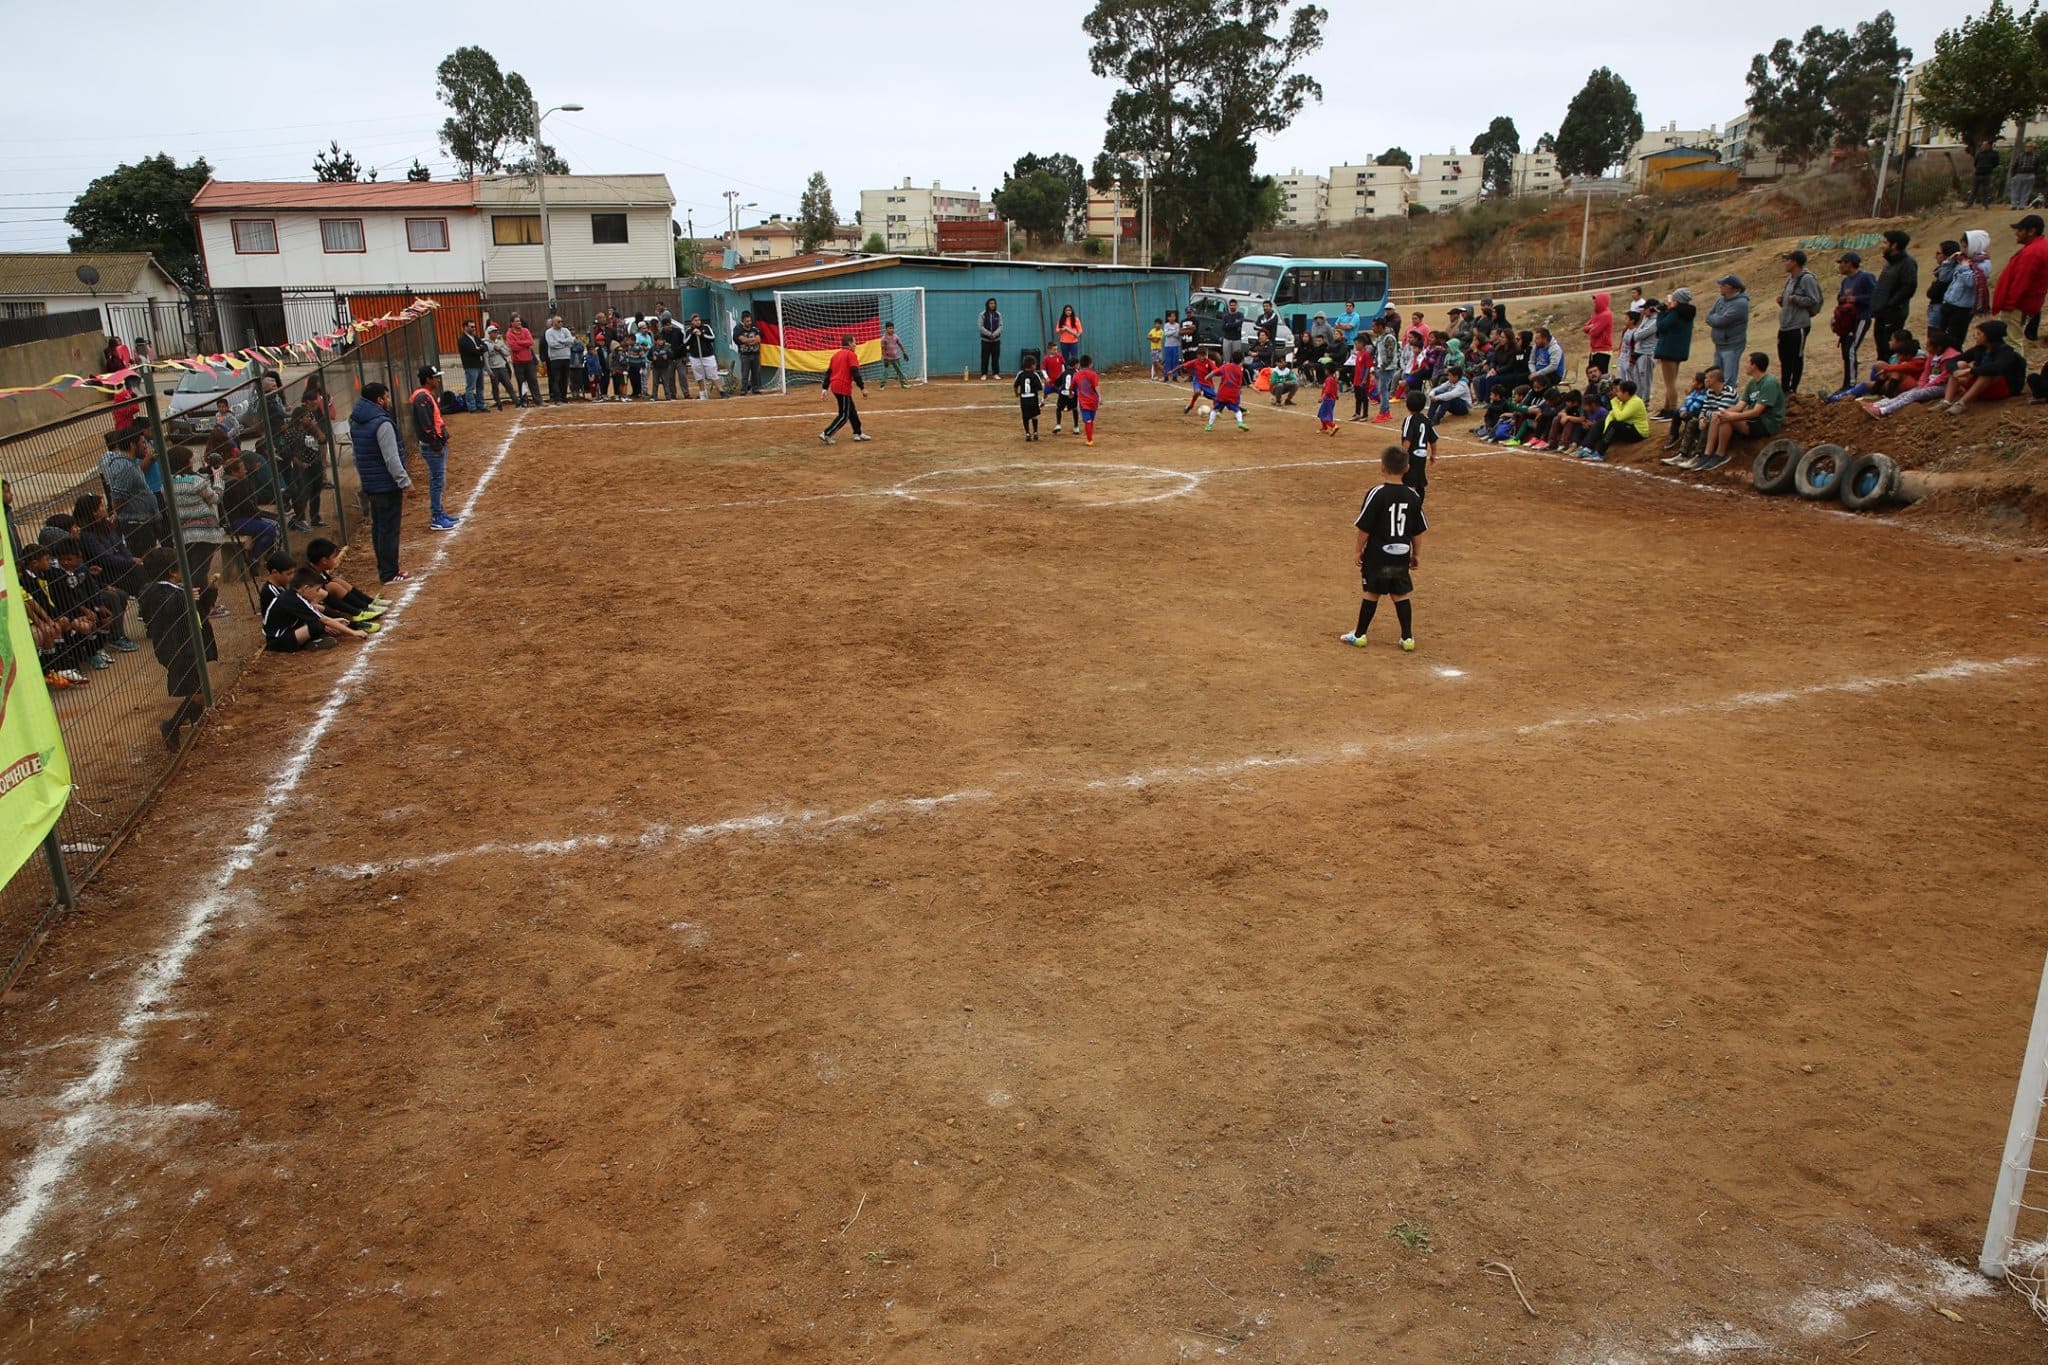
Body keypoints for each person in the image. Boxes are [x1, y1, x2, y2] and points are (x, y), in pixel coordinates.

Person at [1339, 445, 1427, 653]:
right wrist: (1416, 554)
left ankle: (1360, 635)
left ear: (1382, 468)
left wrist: (1358, 550)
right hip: (1401, 552)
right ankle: (1407, 638)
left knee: (1372, 591)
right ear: (1407, 468)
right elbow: (1418, 530)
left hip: (1378, 553)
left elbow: (1364, 527)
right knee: (1400, 593)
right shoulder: (1413, 495)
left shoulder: (1376, 493)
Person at [136, 546, 217, 750]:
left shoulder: (175, 590)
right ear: (173, 571)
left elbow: (200, 610)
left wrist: (210, 591)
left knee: (197, 688)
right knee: (199, 693)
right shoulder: (156, 592)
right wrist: (186, 597)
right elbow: (168, 608)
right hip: (178, 650)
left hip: (189, 647)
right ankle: (171, 726)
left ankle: (197, 725)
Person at [348, 382, 413, 584]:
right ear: (379, 400)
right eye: (387, 397)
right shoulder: (381, 423)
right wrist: (405, 482)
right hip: (385, 485)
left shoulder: (357, 420)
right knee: (388, 530)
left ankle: (386, 569)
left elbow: (356, 456)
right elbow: (391, 458)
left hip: (371, 483)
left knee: (379, 528)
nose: (389, 401)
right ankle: (389, 572)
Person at [1695, 351, 1785, 472]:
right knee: (1720, 415)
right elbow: (1739, 406)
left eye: (1747, 362)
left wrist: (1732, 417)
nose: (1745, 365)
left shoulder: (1769, 382)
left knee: (1726, 419)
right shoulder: (1752, 383)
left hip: (1767, 423)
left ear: (1754, 365)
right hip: (1753, 419)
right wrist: (1723, 412)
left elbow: (1757, 412)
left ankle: (1720, 455)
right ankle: (1707, 454)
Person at [165, 445, 228, 601]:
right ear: (185, 462)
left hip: (183, 535)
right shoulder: (197, 482)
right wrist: (218, 478)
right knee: (200, 571)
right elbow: (215, 497)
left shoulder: (166, 485)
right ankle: (203, 604)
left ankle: (193, 603)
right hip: (205, 533)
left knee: (190, 570)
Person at [264, 567, 369, 652]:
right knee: (316, 625)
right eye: (317, 589)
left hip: (285, 633)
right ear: (306, 588)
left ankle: (311, 640)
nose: (318, 593)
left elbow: (319, 616)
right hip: (277, 641)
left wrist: (335, 621)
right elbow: (324, 620)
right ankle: (309, 643)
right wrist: (353, 633)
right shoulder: (294, 599)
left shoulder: (293, 595)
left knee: (319, 623)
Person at [1940, 318, 2027, 414]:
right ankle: (1946, 401)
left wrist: (1970, 372)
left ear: (1989, 336)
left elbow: (1997, 367)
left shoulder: (2005, 351)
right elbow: (1952, 360)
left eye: (1979, 334)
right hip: (1980, 386)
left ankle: (1961, 404)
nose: (1975, 337)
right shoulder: (1979, 349)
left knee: (1988, 372)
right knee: (1960, 364)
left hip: (2001, 389)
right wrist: (1955, 371)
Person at [411, 366, 459, 532]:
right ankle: (436, 517)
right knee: (437, 481)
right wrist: (436, 444)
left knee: (439, 480)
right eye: (435, 377)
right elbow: (427, 426)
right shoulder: (422, 398)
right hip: (432, 447)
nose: (437, 380)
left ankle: (440, 512)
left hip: (435, 444)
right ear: (428, 379)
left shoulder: (426, 396)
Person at [99, 426, 160, 553]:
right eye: (143, 442)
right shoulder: (125, 468)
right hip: (136, 525)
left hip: (142, 522)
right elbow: (117, 498)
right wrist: (118, 513)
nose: (146, 446)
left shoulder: (130, 464)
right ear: (132, 445)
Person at [1995, 213, 2048, 353]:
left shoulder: (2032, 252)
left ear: (2031, 231)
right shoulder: (2040, 247)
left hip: (2017, 305)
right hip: (2025, 303)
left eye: (2020, 230)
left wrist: (2009, 304)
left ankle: (2013, 373)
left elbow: (2021, 281)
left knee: (2011, 342)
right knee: (2011, 340)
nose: (2016, 234)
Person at [1776, 250, 1824, 394]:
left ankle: (1792, 388)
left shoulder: (1807, 279)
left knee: (1796, 357)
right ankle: (1784, 387)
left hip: (1799, 326)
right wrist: (1782, 301)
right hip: (1785, 325)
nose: (1785, 263)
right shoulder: (1790, 279)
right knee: (1784, 358)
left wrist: (1796, 299)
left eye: (1787, 260)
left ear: (1795, 262)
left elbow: (1814, 301)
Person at [1831, 251, 1878, 391]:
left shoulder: (1865, 277)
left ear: (1849, 263)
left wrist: (1857, 299)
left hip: (1861, 317)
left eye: (1842, 263)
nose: (1840, 266)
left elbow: (1875, 295)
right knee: (1846, 351)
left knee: (1851, 349)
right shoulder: (1846, 281)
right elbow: (1840, 297)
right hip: (1847, 320)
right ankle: (1846, 383)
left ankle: (1850, 384)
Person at [1870, 231, 1918, 355]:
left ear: (1894, 245)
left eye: (1885, 243)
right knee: (1881, 348)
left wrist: (1889, 305)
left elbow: (1908, 288)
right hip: (1882, 313)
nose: (1882, 245)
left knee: (1889, 350)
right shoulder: (1890, 262)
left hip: (1892, 314)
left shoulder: (1907, 263)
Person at [1652, 288, 1696, 416]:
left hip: (1668, 350)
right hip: (1678, 350)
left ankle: (1672, 409)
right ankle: (1666, 408)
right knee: (1671, 381)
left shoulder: (1676, 313)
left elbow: (1662, 326)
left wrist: (1661, 312)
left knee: (1670, 383)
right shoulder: (1687, 313)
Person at [1584, 378, 1649, 463]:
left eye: (1619, 391)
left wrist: (1614, 402)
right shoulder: (1625, 400)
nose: (1617, 394)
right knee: (1602, 422)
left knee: (1615, 424)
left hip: (1638, 432)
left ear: (1625, 393)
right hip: (1628, 427)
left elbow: (1619, 417)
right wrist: (1605, 430)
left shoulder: (1635, 402)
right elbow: (1611, 415)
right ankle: (1586, 447)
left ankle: (1600, 454)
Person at [819, 334, 868, 444]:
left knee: (851, 410)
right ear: (850, 343)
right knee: (844, 415)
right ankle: (827, 433)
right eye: (854, 342)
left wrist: (825, 388)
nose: (856, 344)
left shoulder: (835, 355)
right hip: (843, 386)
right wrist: (862, 388)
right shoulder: (851, 355)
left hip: (835, 386)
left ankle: (858, 432)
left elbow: (828, 373)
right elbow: (855, 372)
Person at [1704, 275, 1750, 386]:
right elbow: (1708, 317)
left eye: (1722, 285)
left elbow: (1722, 321)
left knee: (1729, 379)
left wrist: (1715, 318)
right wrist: (1716, 318)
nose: (1720, 287)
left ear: (1731, 288)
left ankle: (1729, 399)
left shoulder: (1741, 304)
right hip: (1719, 344)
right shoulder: (1720, 300)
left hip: (1732, 346)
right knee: (1717, 377)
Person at [1398, 390, 1435, 502]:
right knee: (1419, 479)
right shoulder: (1426, 420)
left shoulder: (1409, 420)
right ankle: (1419, 503)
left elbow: (1407, 440)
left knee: (1409, 481)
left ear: (1408, 406)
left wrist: (1402, 456)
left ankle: (1411, 505)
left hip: (1410, 456)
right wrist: (1433, 454)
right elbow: (1433, 439)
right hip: (1422, 455)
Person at [1205, 355, 1249, 432]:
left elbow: (1214, 372)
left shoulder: (1225, 366)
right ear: (1242, 361)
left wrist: (1207, 377)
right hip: (1233, 394)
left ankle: (1209, 425)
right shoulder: (1240, 371)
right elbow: (1239, 384)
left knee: (1215, 409)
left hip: (1222, 393)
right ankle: (1240, 423)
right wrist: (1239, 391)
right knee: (1237, 409)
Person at [1370, 316, 1400, 422]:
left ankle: (1384, 412)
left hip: (1387, 368)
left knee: (1383, 390)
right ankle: (1385, 412)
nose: (1372, 328)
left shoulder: (1388, 338)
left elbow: (1390, 355)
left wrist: (1382, 367)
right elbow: (1378, 353)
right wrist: (1375, 365)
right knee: (1381, 390)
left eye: (1374, 326)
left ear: (1380, 326)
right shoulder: (1380, 337)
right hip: (1382, 367)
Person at [505, 315, 540, 406]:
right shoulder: (509, 333)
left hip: (529, 360)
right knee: (522, 382)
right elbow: (513, 347)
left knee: (533, 381)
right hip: (518, 362)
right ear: (512, 323)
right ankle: (524, 401)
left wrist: (519, 342)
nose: (519, 323)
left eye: (519, 321)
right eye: (517, 321)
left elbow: (531, 341)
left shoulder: (525, 331)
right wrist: (524, 344)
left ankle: (538, 400)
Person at [683, 314, 720, 400]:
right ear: (692, 322)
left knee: (713, 374)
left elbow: (712, 337)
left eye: (699, 320)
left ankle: (721, 390)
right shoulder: (688, 330)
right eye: (695, 320)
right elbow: (685, 342)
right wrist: (693, 334)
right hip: (695, 357)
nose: (698, 322)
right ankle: (702, 393)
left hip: (708, 356)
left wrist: (702, 334)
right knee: (699, 376)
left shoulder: (706, 327)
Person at [542, 315, 575, 405]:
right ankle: (557, 398)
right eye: (558, 322)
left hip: (566, 357)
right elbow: (552, 344)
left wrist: (560, 341)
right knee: (556, 379)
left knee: (565, 379)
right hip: (555, 358)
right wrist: (565, 343)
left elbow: (571, 341)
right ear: (553, 323)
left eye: (561, 321)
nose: (561, 323)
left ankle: (564, 398)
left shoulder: (565, 330)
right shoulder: (549, 332)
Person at [457, 319, 488, 412]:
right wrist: (479, 349)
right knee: (470, 387)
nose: (474, 328)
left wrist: (480, 348)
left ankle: (481, 405)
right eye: (471, 326)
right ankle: (472, 407)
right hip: (470, 366)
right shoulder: (462, 339)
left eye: (474, 326)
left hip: (479, 365)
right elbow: (472, 351)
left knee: (480, 387)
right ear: (465, 327)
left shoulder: (475, 337)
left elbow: (485, 346)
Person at [1581, 291, 1615, 373]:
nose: (1595, 304)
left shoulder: (1606, 315)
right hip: (1593, 350)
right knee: (1591, 376)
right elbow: (1584, 328)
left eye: (1596, 302)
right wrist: (1591, 326)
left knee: (1601, 376)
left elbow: (1594, 332)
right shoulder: (1595, 314)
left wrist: (1591, 327)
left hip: (1603, 350)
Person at [483, 324, 516, 409]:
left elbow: (507, 352)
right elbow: (486, 357)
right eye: (493, 332)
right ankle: (497, 402)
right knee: (495, 386)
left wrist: (500, 349)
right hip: (493, 368)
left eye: (496, 332)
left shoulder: (500, 342)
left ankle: (516, 400)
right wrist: (489, 371)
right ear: (489, 333)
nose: (495, 334)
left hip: (502, 367)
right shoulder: (485, 343)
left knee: (508, 384)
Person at [1014, 355, 1045, 440]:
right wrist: (1041, 400)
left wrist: (1017, 393)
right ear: (1032, 366)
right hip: (1033, 398)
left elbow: (1015, 385)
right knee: (1034, 416)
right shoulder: (1035, 374)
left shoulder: (1020, 374)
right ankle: (1035, 432)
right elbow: (1040, 387)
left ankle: (1027, 433)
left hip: (1024, 398)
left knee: (1025, 416)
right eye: (1035, 365)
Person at [1074, 354, 1101, 445]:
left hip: (1083, 402)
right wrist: (1100, 397)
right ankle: (1090, 438)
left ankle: (1089, 440)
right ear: (1090, 364)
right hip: (1094, 401)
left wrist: (1070, 393)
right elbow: (1096, 386)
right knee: (1091, 419)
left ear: (1080, 364)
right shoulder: (1093, 374)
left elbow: (1072, 386)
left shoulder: (1076, 374)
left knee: (1087, 420)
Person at [977, 299, 1004, 379]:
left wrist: (995, 334)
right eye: (991, 303)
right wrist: (989, 334)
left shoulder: (998, 314)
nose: (992, 305)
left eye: (994, 303)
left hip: (996, 340)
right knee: (985, 358)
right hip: (985, 340)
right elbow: (980, 326)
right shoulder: (982, 314)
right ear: (987, 304)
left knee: (995, 358)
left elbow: (1001, 326)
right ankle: (984, 374)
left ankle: (995, 373)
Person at [1972, 139, 2002, 208]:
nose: (1983, 146)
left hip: (1987, 174)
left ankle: (1985, 205)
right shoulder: (1979, 153)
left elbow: (1996, 163)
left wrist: (1989, 167)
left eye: (1985, 145)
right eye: (1983, 145)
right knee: (1974, 189)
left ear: (1989, 146)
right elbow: (1975, 163)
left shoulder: (1994, 153)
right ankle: (1969, 203)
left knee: (1985, 190)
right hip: (1978, 173)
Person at [880, 323, 910, 388]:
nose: (891, 330)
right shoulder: (883, 338)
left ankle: (903, 384)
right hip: (888, 359)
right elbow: (883, 349)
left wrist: (904, 353)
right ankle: (882, 385)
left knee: (899, 371)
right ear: (886, 329)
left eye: (892, 328)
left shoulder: (896, 336)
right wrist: (884, 358)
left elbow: (900, 345)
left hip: (896, 358)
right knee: (886, 372)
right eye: (890, 328)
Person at [1316, 365, 1341, 435]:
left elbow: (1327, 391)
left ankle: (1334, 426)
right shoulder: (1333, 379)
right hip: (1331, 400)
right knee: (1321, 414)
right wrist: (1336, 395)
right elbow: (1335, 388)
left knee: (1324, 416)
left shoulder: (1328, 379)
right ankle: (1324, 428)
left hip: (1327, 400)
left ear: (1328, 371)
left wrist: (1322, 398)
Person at [1160, 309, 1181, 386]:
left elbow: (1178, 334)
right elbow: (1166, 334)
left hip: (1175, 345)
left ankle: (1175, 376)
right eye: (1170, 317)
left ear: (1175, 317)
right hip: (1168, 345)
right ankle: (1166, 376)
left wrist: (1172, 333)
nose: (1172, 318)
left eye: (1173, 316)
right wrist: (1174, 332)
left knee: (1175, 361)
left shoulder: (1178, 325)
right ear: (1168, 318)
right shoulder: (1166, 325)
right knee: (1168, 361)